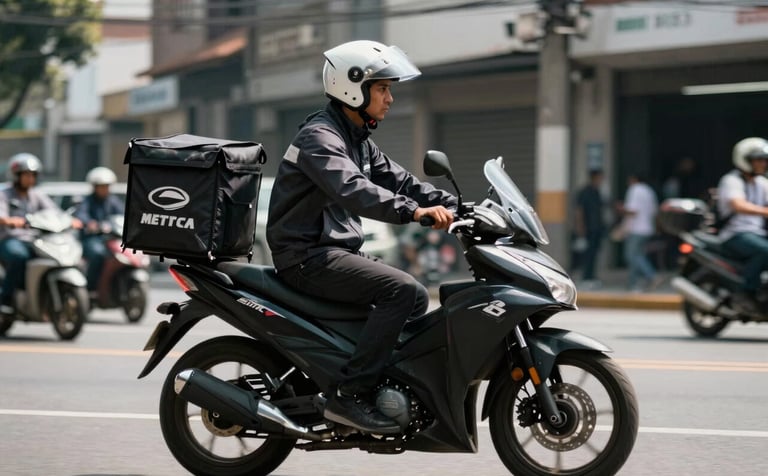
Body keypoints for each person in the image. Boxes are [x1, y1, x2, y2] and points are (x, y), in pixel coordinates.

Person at [266, 40, 456, 433]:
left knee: (416, 295)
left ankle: (374, 377)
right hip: (306, 255)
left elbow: (402, 181)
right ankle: (349, 395)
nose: (389, 98)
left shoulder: (356, 139)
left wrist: (459, 205)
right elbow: (353, 189)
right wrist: (414, 212)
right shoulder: (320, 138)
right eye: (382, 88)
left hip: (331, 252)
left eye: (389, 88)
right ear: (353, 87)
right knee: (400, 291)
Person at [0, 153, 63, 315]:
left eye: (33, 175)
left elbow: (53, 211)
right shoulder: (4, 193)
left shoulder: (37, 195)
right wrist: (9, 220)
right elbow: (2, 214)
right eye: (26, 175)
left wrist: (69, 220)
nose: (30, 179)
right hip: (10, 239)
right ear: (16, 175)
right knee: (19, 256)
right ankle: (6, 298)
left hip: (34, 240)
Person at [716, 137, 768, 313]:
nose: (763, 164)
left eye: (764, 160)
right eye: (759, 159)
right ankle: (745, 292)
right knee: (765, 251)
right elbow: (738, 205)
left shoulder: (762, 183)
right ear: (745, 160)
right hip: (735, 234)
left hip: (757, 233)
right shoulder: (731, 181)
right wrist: (764, 212)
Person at [75, 166, 125, 296]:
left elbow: (122, 215)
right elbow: (81, 215)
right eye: (101, 186)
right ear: (94, 187)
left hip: (111, 239)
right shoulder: (87, 201)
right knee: (98, 254)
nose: (104, 189)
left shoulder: (113, 201)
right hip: (91, 239)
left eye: (106, 186)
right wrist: (90, 223)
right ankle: (91, 287)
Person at [617, 172, 661, 291]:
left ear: (633, 179)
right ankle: (633, 283)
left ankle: (651, 276)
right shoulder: (649, 191)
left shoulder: (635, 189)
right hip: (647, 229)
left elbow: (632, 211)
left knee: (632, 256)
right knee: (638, 255)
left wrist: (621, 209)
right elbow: (655, 212)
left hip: (636, 228)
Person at [573, 169, 605, 288]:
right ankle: (586, 277)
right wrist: (580, 227)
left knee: (594, 253)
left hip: (597, 228)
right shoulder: (585, 192)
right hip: (588, 228)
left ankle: (591, 276)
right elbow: (579, 210)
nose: (601, 180)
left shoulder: (597, 192)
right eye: (600, 178)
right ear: (594, 177)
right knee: (588, 254)